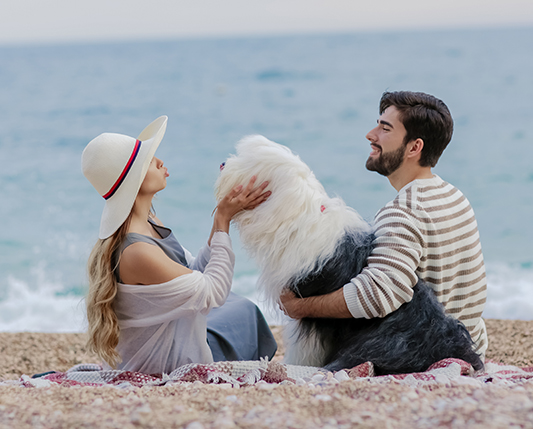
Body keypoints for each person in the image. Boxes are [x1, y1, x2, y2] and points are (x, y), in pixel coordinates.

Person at [280, 91, 488, 357]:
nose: (371, 134)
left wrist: (301, 307)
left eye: (384, 128)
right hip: (469, 347)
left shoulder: (403, 211)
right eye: (377, 124)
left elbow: (378, 295)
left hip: (426, 355)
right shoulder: (455, 196)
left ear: (414, 147)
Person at [82, 116, 277, 374]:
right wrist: (222, 219)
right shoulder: (136, 251)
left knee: (238, 305)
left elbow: (192, 270)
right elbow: (212, 291)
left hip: (175, 340)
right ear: (135, 181)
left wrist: (224, 215)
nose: (160, 161)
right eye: (150, 162)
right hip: (169, 360)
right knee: (243, 312)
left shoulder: (148, 223)